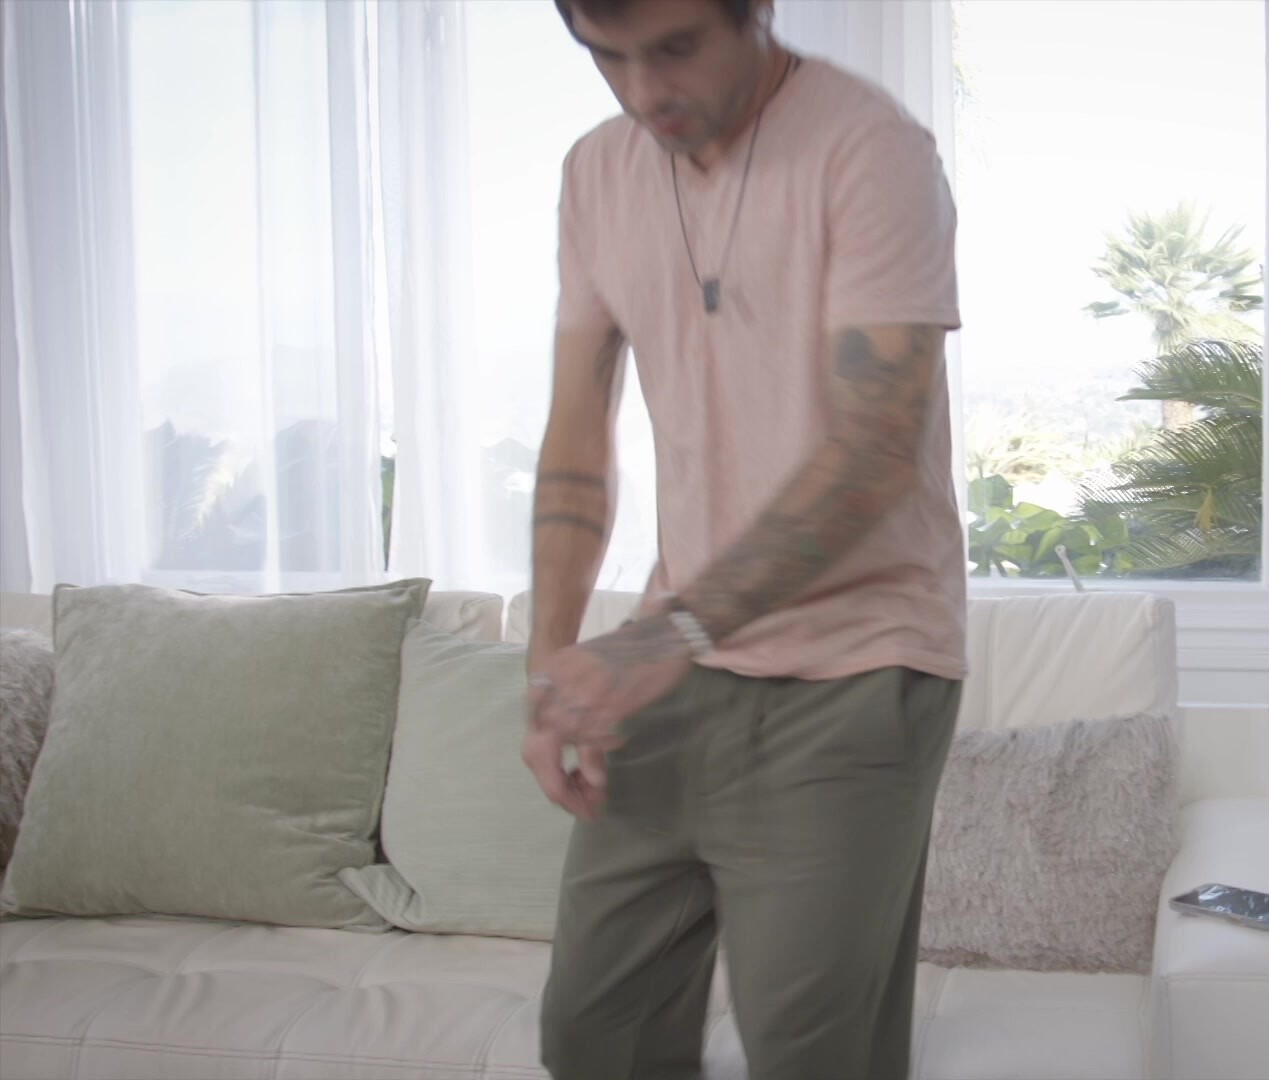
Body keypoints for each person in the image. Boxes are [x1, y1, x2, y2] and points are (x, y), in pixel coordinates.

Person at [521, 0, 966, 1076]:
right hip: (676, 663)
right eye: (608, 57)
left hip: (857, 666)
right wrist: (546, 665)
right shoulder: (597, 173)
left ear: (757, 9)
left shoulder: (869, 148)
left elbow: (874, 450)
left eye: (676, 49)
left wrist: (665, 635)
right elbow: (577, 435)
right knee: (594, 1033)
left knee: (812, 1052)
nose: (644, 92)